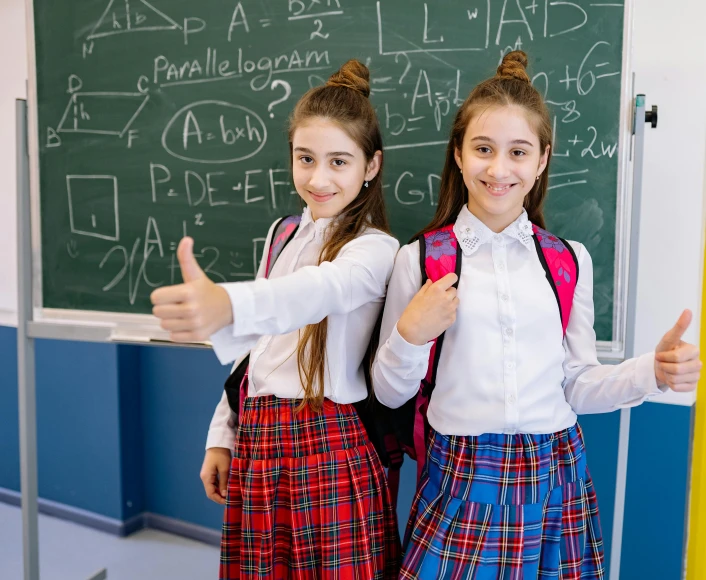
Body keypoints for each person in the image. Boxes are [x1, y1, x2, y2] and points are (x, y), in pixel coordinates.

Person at [372, 50, 701, 579]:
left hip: (555, 473)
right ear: (458, 154)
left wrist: (652, 372)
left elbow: (576, 384)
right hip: (461, 473)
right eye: (483, 149)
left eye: (518, 152)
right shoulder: (422, 259)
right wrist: (410, 334)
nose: (499, 169)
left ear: (542, 159)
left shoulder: (568, 260)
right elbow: (390, 394)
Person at [151, 59, 401, 579]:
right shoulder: (282, 232)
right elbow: (256, 353)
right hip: (262, 440)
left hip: (329, 442)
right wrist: (223, 434)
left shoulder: (376, 249)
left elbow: (316, 292)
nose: (318, 177)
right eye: (305, 158)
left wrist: (229, 303)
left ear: (370, 166)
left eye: (338, 161)